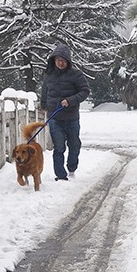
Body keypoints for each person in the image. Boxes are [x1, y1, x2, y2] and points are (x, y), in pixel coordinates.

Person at [40, 43, 90, 181]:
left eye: (62, 60)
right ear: (53, 60)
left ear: (68, 61)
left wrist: (70, 100)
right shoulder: (49, 75)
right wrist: (43, 104)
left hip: (72, 117)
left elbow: (85, 91)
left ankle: (72, 167)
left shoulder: (76, 75)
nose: (60, 63)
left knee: (74, 146)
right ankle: (61, 176)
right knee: (59, 147)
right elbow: (45, 91)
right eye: (57, 60)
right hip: (55, 117)